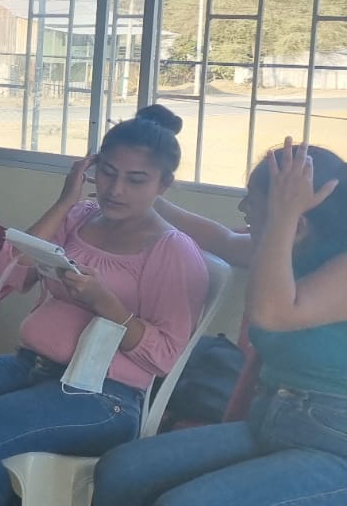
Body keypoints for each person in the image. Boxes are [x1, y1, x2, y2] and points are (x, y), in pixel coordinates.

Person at [0, 106, 209, 502]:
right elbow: (14, 271)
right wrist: (64, 202)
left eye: (136, 180)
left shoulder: (173, 251)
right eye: (107, 172)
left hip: (103, 394)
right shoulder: (81, 216)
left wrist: (107, 304)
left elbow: (164, 356)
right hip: (29, 365)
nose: (115, 189)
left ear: (164, 184)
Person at [90, 138, 347, 506]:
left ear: (297, 223)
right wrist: (145, 197)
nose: (242, 208)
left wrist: (284, 217)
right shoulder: (286, 250)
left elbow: (272, 314)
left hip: (334, 443)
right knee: (121, 469)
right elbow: (222, 239)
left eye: (253, 202)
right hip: (271, 421)